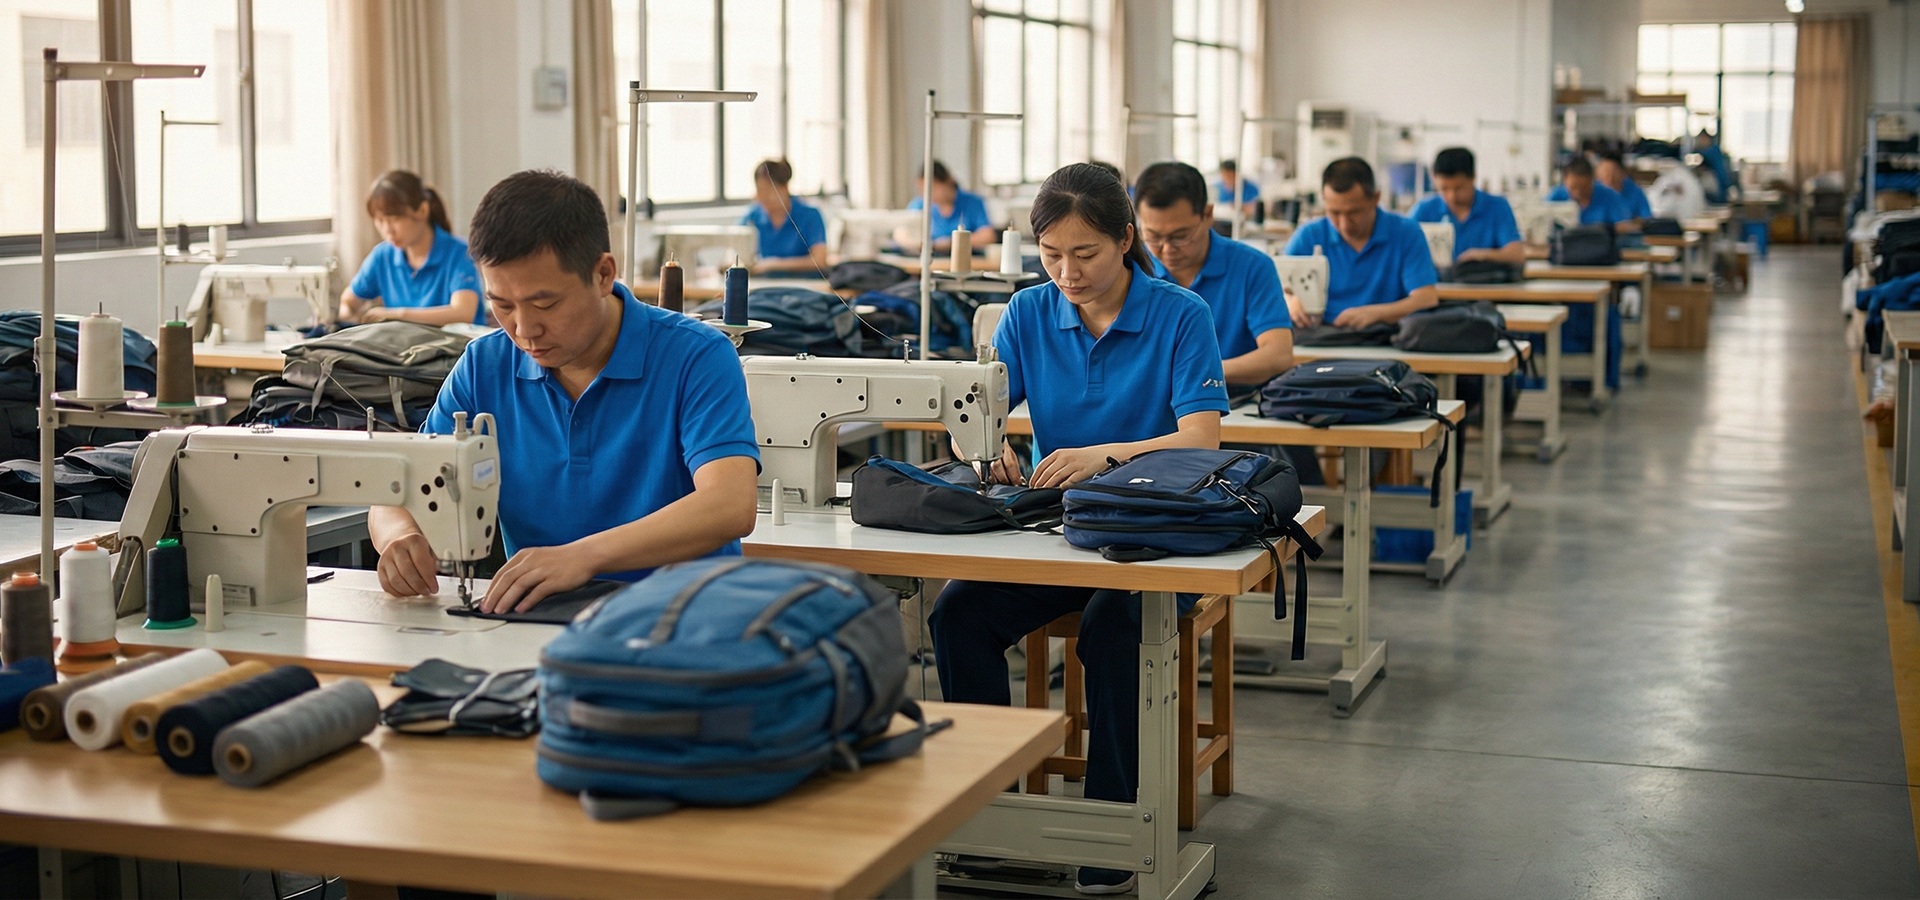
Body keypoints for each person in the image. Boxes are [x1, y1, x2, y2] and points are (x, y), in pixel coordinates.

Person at [929, 162, 1227, 897]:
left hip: (1158, 538)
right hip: (1064, 534)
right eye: (1052, 255)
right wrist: (987, 446)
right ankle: (984, 814)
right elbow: (983, 406)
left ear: (1126, 241)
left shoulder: (1181, 315)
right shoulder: (1028, 313)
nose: (1068, 272)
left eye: (1085, 254)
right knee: (957, 614)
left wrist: (1109, 454)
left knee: (1115, 630)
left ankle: (1111, 829)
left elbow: (1203, 438)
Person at [370, 170, 760, 612]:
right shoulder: (484, 366)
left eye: (545, 304)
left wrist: (583, 557)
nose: (524, 328)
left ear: (602, 274)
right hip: (544, 620)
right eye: (501, 305)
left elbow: (730, 504)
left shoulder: (697, 356)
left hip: (684, 621)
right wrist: (399, 537)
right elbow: (396, 489)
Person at [1132, 161, 1293, 387]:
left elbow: (1278, 355)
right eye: (1153, 236)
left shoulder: (1252, 268)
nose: (1166, 249)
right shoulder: (1131, 271)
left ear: (1207, 215)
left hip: (1231, 407)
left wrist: (1198, 373)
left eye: (1180, 236)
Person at [1282, 157, 1440, 329]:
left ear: (1376, 198)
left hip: (1383, 337)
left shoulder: (1406, 233)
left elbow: (1426, 298)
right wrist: (1290, 302)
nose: (1344, 224)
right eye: (1334, 213)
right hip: (1319, 336)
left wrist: (1377, 314)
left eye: (1354, 213)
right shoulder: (1309, 235)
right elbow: (1275, 288)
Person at [338, 171, 485, 326]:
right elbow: (348, 301)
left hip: (454, 348)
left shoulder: (459, 253)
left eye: (395, 219)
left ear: (422, 211)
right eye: (380, 220)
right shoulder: (382, 256)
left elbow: (463, 313)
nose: (387, 229)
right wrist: (349, 318)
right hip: (403, 348)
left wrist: (398, 315)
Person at [1411, 147, 1526, 266]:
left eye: (1459, 188)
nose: (1452, 196)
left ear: (1474, 178)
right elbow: (1402, 249)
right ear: (1434, 180)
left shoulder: (1498, 207)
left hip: (1483, 283)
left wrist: (1483, 256)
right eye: (1444, 189)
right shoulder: (1423, 210)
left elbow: (1517, 255)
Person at [741, 158, 829, 273]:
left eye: (769, 192)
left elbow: (819, 261)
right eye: (760, 191)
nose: (763, 198)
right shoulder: (752, 217)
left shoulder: (810, 216)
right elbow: (735, 252)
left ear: (785, 188)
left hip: (804, 285)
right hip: (764, 285)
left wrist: (774, 264)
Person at [905, 160, 997, 250]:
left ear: (947, 181)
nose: (926, 194)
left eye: (931, 188)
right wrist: (916, 243)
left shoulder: (972, 202)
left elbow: (988, 236)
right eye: (922, 189)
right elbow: (901, 231)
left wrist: (951, 243)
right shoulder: (919, 205)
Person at [1546, 157, 1637, 230]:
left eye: (1584, 188)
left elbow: (1626, 226)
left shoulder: (1610, 196)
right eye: (1573, 188)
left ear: (1592, 180)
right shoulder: (1555, 196)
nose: (1578, 192)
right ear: (1564, 181)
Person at [1596, 149, 1653, 221]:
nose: (1609, 178)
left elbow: (1646, 217)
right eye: (1605, 173)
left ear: (1623, 173)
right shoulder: (1592, 191)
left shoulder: (1634, 191)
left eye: (1613, 173)